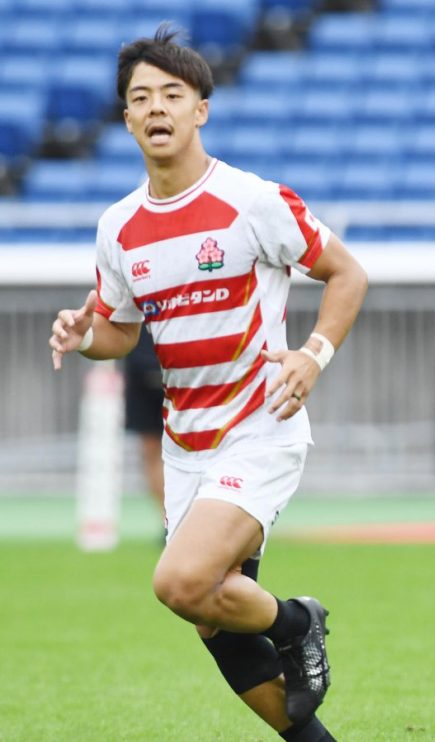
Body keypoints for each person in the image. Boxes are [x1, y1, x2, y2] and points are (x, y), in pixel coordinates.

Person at [48, 26, 367, 742]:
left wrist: (312, 354)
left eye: (172, 93)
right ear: (125, 118)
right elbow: (120, 330)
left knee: (178, 583)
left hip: (260, 424)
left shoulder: (252, 200)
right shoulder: (120, 227)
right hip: (185, 441)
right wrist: (83, 333)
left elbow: (348, 273)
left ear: (201, 109)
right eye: (140, 97)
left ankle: (297, 621)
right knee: (210, 614)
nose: (155, 107)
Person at [122, 332, 166, 523]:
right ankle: (168, 519)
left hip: (181, 373)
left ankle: (182, 519)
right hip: (141, 373)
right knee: (150, 452)